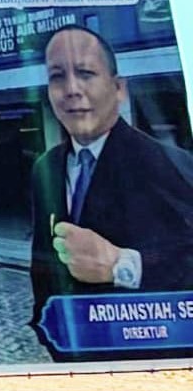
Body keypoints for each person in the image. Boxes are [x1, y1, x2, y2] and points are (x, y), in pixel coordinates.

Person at [34, 22, 193, 316]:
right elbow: (42, 264)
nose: (71, 90)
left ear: (118, 88)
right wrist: (46, 324)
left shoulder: (170, 164)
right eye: (57, 76)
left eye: (85, 73)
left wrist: (121, 265)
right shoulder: (45, 167)